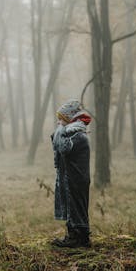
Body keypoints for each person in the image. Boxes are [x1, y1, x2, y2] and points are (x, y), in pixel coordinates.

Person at [51, 99, 92, 248]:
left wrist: (60, 129)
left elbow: (63, 147)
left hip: (77, 178)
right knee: (71, 206)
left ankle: (80, 239)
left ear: (69, 118)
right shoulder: (72, 133)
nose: (59, 122)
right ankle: (73, 236)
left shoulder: (78, 135)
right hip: (72, 177)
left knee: (77, 207)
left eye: (61, 118)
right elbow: (58, 143)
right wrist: (60, 131)